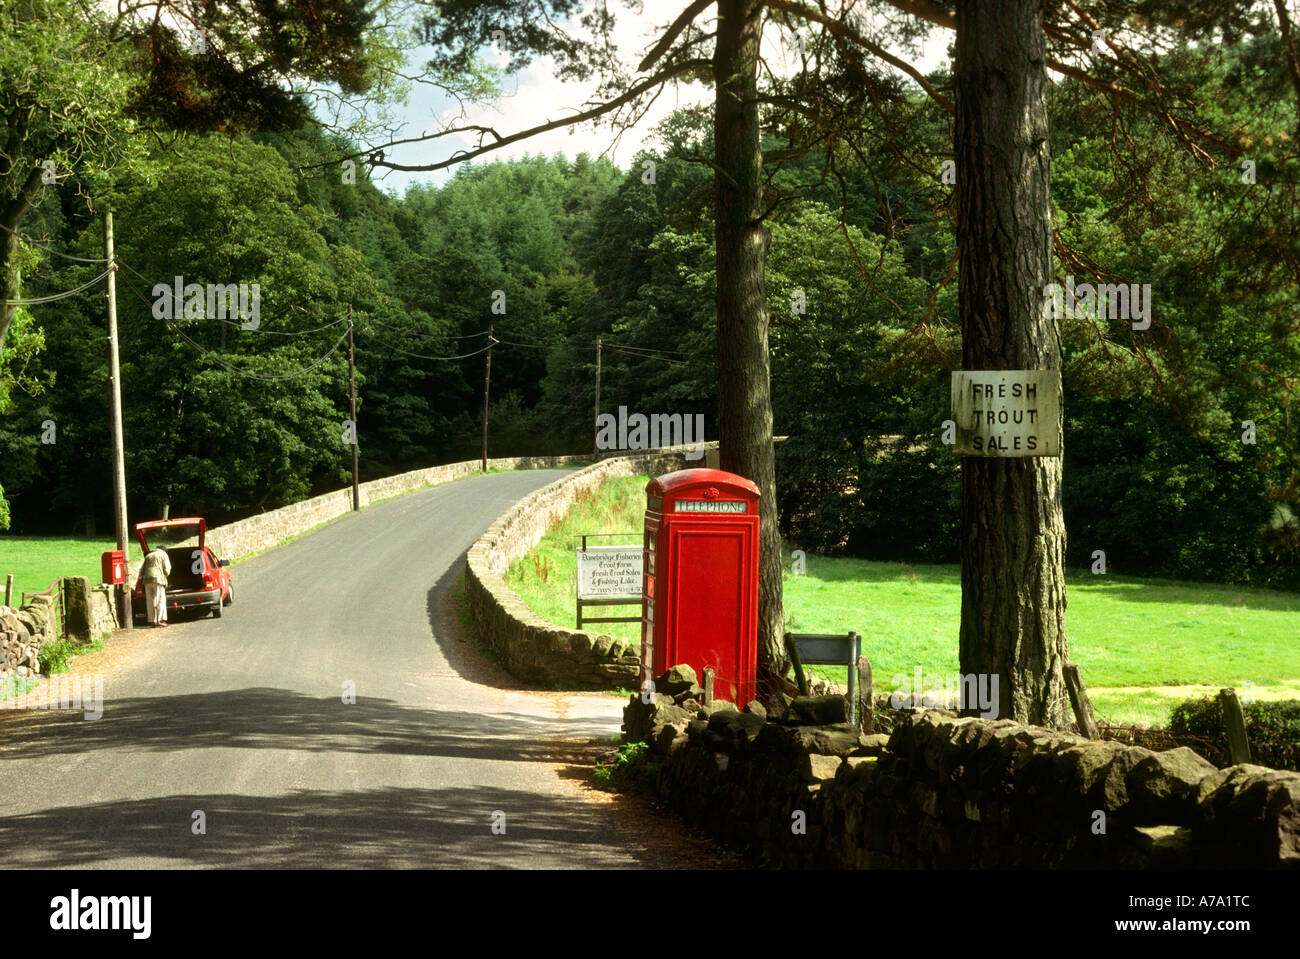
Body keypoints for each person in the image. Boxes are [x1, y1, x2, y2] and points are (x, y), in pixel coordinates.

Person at [138, 546, 171, 628]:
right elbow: (167, 569)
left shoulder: (148, 555)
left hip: (147, 580)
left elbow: (141, 570)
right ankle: (159, 620)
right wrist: (165, 575)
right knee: (160, 600)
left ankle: (153, 620)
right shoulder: (163, 554)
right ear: (164, 550)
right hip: (158, 579)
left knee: (150, 600)